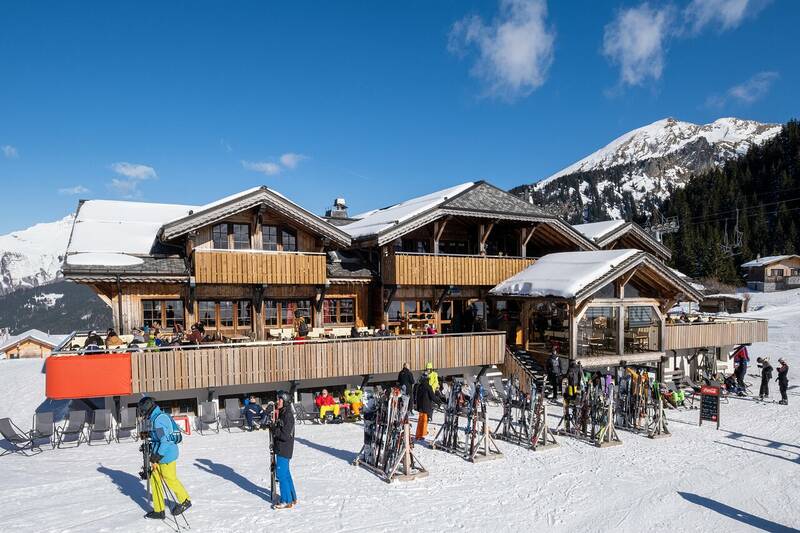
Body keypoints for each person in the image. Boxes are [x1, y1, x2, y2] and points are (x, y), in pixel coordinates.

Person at [137, 396, 191, 520]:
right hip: (158, 454)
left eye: (142, 409)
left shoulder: (159, 419)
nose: (141, 412)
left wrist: (158, 455)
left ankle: (185, 500)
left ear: (147, 407)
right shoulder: (155, 417)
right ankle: (159, 509)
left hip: (166, 455)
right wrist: (148, 434)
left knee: (169, 478)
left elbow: (165, 440)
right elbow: (158, 434)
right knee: (155, 481)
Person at [273, 390, 297, 509]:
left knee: (281, 474)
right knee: (286, 474)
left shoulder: (288, 415)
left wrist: (275, 430)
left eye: (280, 399)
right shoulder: (283, 412)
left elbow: (285, 435)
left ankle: (286, 500)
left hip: (284, 448)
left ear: (285, 400)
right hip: (282, 448)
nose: (278, 401)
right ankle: (292, 497)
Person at [414, 374, 437, 442]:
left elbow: (417, 396)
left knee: (420, 422)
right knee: (424, 422)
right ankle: (422, 435)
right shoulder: (428, 387)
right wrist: (439, 402)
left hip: (420, 407)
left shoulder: (419, 386)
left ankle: (418, 434)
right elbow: (433, 397)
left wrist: (417, 406)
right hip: (426, 407)